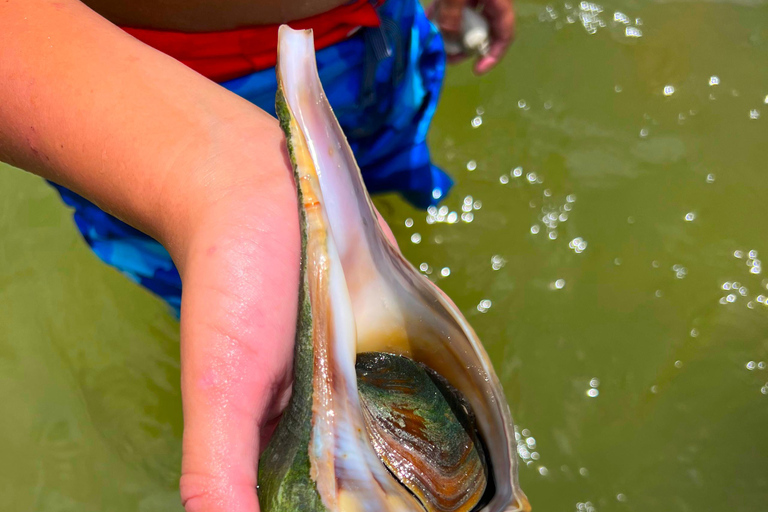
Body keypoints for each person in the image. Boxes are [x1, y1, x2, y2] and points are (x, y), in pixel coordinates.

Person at [0, 1, 515, 510]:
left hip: (377, 39)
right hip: (117, 96)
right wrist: (200, 167)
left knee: (370, 211)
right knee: (248, 309)